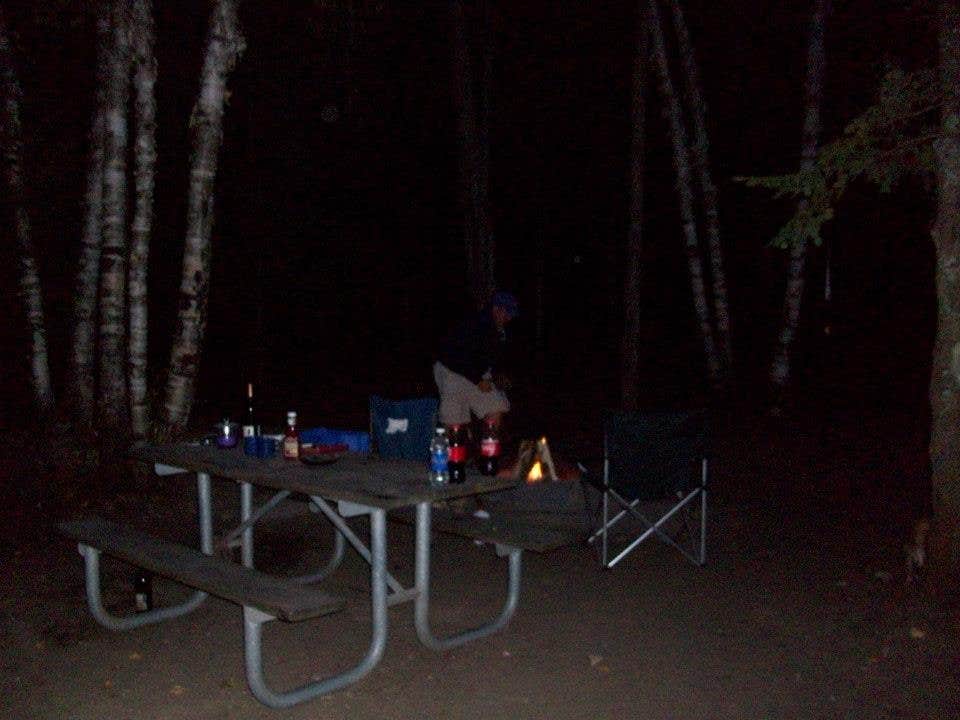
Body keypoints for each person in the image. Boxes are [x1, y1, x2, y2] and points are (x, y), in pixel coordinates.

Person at [433, 290, 519, 432]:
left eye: (511, 314)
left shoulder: (501, 332)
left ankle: (489, 447)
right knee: (453, 423)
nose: (508, 317)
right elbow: (455, 356)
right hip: (451, 371)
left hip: (476, 373)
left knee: (496, 407)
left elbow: (492, 360)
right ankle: (450, 450)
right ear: (496, 309)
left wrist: (500, 376)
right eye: (506, 312)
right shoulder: (474, 324)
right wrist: (477, 380)